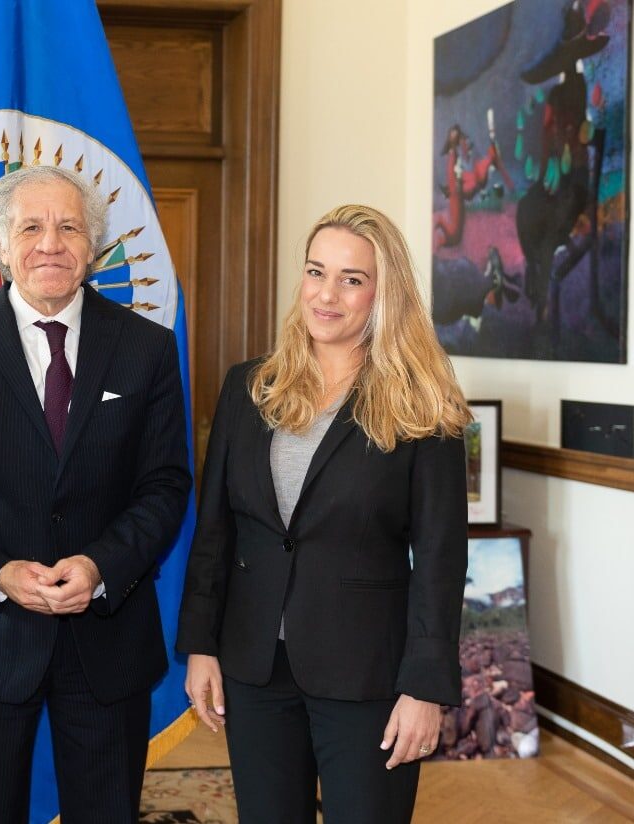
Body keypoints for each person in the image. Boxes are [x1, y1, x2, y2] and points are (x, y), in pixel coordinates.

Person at [0, 164, 192, 822]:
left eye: (69, 227)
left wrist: (100, 565)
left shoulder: (147, 348)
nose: (50, 244)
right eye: (30, 227)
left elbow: (164, 484)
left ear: (93, 245)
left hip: (107, 637)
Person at [178, 204, 470, 823]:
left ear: (384, 294)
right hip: (255, 666)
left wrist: (425, 687)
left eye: (352, 279)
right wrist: (202, 644)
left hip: (368, 672)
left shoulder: (424, 403)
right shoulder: (248, 387)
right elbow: (216, 530)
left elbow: (442, 560)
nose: (327, 295)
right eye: (316, 272)